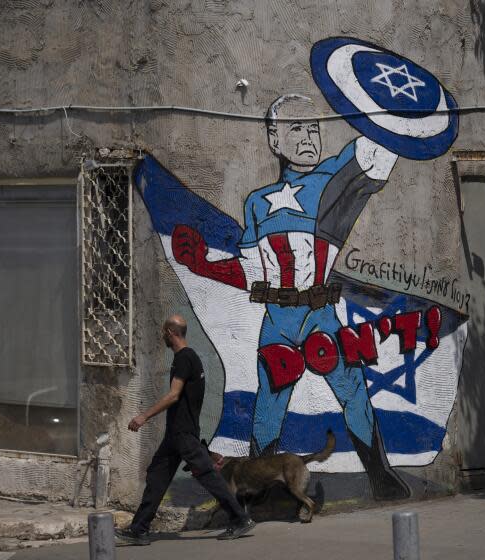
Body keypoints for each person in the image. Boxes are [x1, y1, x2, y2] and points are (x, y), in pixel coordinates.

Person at [171, 94, 410, 500]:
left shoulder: (334, 178)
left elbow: (376, 152)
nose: (309, 137)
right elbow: (252, 270)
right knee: (268, 407)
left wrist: (396, 103)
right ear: (273, 138)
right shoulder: (256, 203)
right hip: (277, 317)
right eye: (297, 128)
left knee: (352, 390)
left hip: (321, 315)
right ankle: (260, 491)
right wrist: (204, 265)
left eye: (314, 127)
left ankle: (380, 476)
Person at [115, 315, 255, 545]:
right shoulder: (192, 359)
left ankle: (240, 518)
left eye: (163, 332)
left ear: (170, 332)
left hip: (182, 432)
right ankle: (139, 528)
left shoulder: (184, 359)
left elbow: (173, 395)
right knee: (157, 475)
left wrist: (144, 416)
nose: (162, 336)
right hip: (176, 433)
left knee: (208, 475)